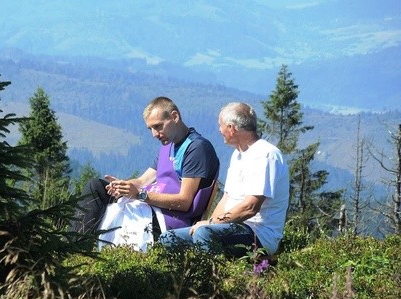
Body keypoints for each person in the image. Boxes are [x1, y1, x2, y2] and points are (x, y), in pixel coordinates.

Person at [75, 96, 220, 249]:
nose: (154, 134)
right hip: (151, 206)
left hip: (170, 218)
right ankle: (75, 247)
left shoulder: (196, 148)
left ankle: (77, 251)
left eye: (158, 126)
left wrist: (140, 195)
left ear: (175, 117)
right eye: (150, 128)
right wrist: (123, 186)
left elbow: (185, 202)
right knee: (97, 187)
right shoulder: (168, 145)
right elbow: (143, 181)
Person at [159, 102, 289, 257]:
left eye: (221, 126)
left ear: (231, 128)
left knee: (204, 234)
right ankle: (183, 279)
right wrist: (208, 223)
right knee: (168, 238)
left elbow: (250, 207)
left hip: (258, 232)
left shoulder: (266, 155)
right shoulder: (238, 155)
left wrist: (212, 224)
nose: (219, 130)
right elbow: (226, 198)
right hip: (232, 227)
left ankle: (215, 278)